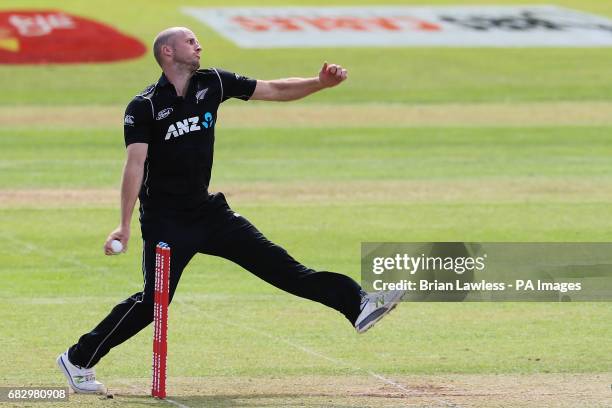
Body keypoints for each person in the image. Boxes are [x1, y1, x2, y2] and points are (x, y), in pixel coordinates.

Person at [56, 27, 405, 394]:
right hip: (165, 221)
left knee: (284, 268)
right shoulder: (144, 106)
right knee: (152, 303)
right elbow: (135, 165)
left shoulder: (214, 83)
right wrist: (124, 225)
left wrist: (318, 83)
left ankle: (358, 304)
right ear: (168, 53)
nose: (199, 46)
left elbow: (273, 88)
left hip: (209, 213)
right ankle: (78, 359)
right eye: (190, 42)